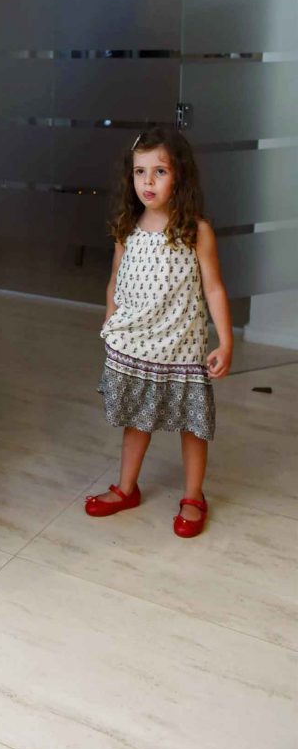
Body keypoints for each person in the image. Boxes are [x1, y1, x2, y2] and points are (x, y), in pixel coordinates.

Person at [85, 127, 233, 537]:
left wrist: (226, 340)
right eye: (139, 172)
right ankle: (126, 487)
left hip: (182, 346)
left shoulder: (194, 230)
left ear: (180, 175)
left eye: (160, 172)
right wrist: (111, 317)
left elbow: (214, 288)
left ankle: (194, 496)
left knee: (192, 424)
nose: (147, 182)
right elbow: (116, 280)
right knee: (137, 419)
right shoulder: (127, 226)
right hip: (139, 343)